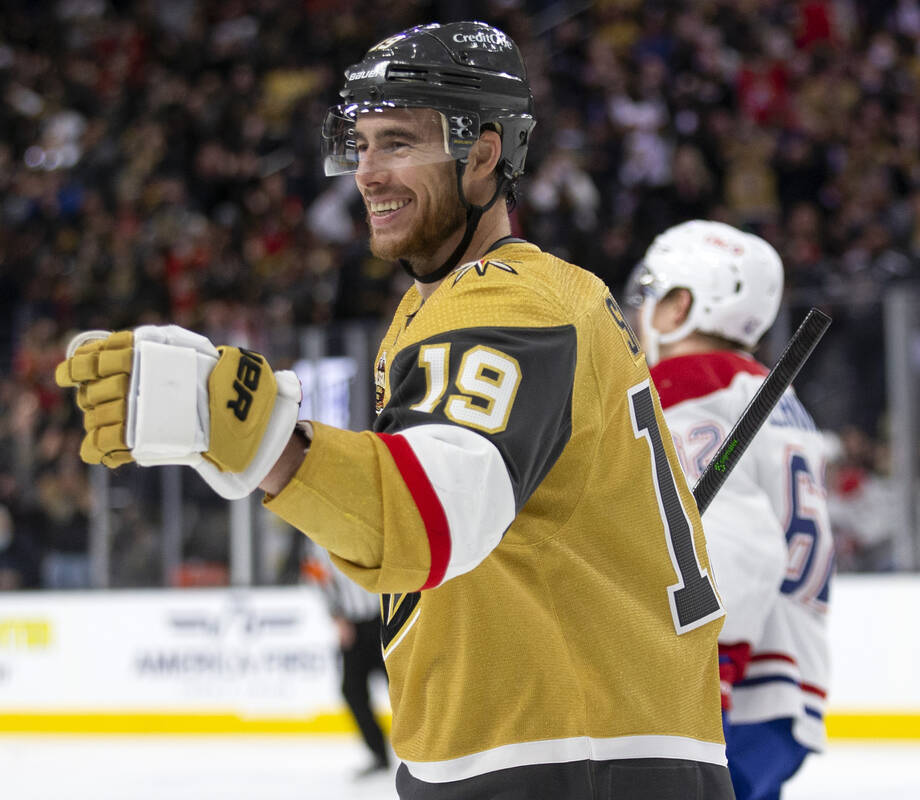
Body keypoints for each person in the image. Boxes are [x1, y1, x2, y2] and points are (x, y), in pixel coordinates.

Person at [53, 21, 734, 800]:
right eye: (362, 143)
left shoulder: (508, 302)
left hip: (564, 755)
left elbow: (426, 516)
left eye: (399, 143)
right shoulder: (464, 304)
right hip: (563, 745)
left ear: (482, 154)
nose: (367, 173)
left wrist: (257, 436)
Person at [628, 220, 833, 800]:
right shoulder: (771, 396)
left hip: (730, 689)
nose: (640, 311)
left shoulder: (685, 392)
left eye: (651, 295)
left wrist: (711, 673)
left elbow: (732, 542)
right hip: (780, 684)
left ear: (682, 307)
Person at [300, 542, 391, 779]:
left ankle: (426, 749)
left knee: (402, 686)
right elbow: (317, 576)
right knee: (352, 690)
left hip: (384, 620)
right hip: (353, 626)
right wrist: (337, 617)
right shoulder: (315, 540)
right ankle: (380, 754)